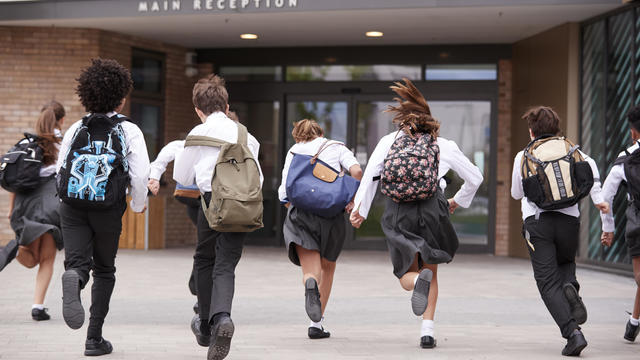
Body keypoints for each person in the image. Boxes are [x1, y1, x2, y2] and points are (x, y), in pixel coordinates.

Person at [349, 78, 473, 349]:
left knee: (407, 271)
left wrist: (360, 209)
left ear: (403, 120)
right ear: (429, 120)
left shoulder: (388, 141)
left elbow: (371, 175)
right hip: (433, 207)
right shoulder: (444, 145)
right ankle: (427, 332)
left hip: (398, 210)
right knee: (433, 270)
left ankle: (416, 281)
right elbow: (476, 177)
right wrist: (456, 201)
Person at [57, 58, 150, 356]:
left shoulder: (75, 128)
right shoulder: (130, 131)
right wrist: (138, 205)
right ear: (121, 98)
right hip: (107, 206)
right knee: (105, 269)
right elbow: (140, 175)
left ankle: (76, 277)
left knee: (76, 262)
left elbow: (62, 169)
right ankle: (93, 339)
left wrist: (65, 204)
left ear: (87, 95)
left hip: (72, 205)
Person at [174, 74, 263, 360]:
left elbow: (183, 177)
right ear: (227, 106)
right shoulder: (246, 135)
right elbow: (256, 173)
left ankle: (204, 325)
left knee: (204, 259)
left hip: (211, 203)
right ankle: (222, 317)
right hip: (242, 204)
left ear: (198, 110)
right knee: (225, 265)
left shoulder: (196, 134)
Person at [510, 106, 608, 357]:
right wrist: (598, 199)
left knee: (547, 282)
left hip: (538, 222)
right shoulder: (571, 148)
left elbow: (516, 193)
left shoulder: (524, 155)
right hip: (569, 221)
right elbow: (592, 169)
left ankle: (572, 334)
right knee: (565, 265)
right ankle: (571, 286)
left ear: (532, 130)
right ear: (557, 127)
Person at [278, 119, 363, 339]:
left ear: (297, 135)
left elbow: (284, 188)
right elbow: (357, 171)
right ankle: (316, 324)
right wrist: (352, 199)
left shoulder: (294, 151)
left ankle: (310, 283)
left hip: (301, 214)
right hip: (331, 215)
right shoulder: (336, 147)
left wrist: (292, 206)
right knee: (328, 267)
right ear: (320, 133)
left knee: (311, 270)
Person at [0, 101, 66, 321]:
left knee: (30, 258)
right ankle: (38, 306)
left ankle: (15, 248)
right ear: (62, 120)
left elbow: (16, 180)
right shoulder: (63, 144)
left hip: (25, 203)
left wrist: (11, 209)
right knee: (45, 259)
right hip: (50, 205)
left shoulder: (27, 142)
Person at [600, 105, 640, 343]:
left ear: (633, 132)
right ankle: (634, 322)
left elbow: (606, 196)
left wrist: (609, 228)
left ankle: (634, 322)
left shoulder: (625, 160)